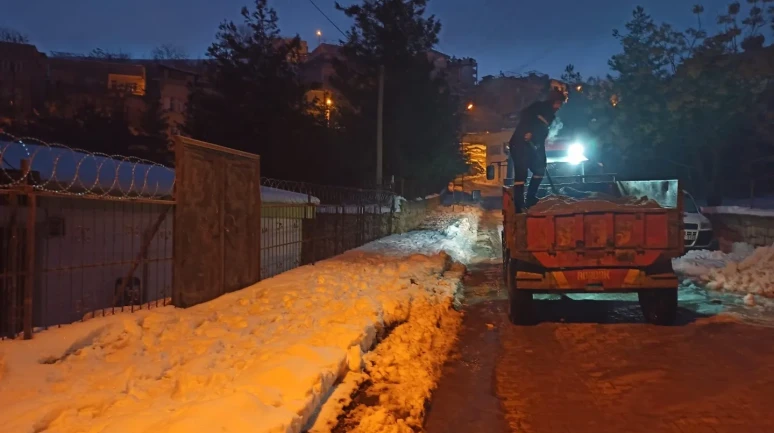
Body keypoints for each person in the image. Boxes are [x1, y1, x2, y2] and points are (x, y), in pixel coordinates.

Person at [508, 86, 567, 212]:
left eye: (560, 104)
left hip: (535, 143)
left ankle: (530, 198)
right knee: (521, 173)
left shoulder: (551, 116)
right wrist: (528, 131)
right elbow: (525, 116)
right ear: (553, 101)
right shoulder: (537, 107)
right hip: (520, 143)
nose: (559, 106)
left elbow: (543, 130)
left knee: (540, 167)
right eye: (558, 103)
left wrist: (536, 137)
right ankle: (519, 205)